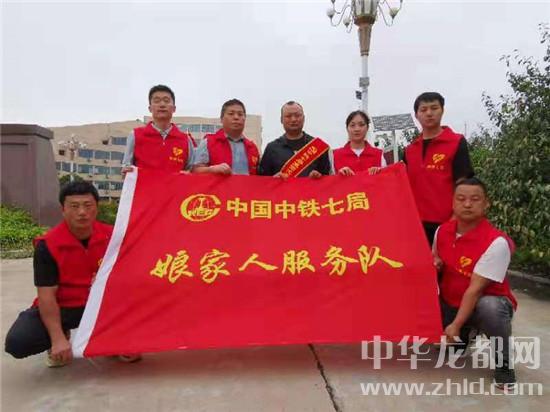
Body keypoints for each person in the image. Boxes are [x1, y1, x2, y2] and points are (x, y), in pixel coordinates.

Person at [4, 181, 140, 366]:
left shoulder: (114, 237)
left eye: (88, 205)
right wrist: (57, 338)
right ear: (63, 209)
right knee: (19, 342)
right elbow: (46, 295)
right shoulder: (48, 245)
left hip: (105, 306)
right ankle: (63, 333)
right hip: (66, 307)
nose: (82, 212)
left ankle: (112, 340)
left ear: (97, 208)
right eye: (74, 206)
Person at [433, 177, 517, 390]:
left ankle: (504, 365)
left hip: (481, 304)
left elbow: (475, 290)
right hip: (451, 302)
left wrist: (455, 325)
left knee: (491, 307)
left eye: (475, 199)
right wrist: (436, 263)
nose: (467, 204)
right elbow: (434, 258)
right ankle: (464, 335)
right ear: (452, 202)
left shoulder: (497, 242)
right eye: (461, 199)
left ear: (486, 203)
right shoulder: (442, 231)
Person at [404, 92, 474, 245]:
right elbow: (399, 184)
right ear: (416, 115)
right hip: (415, 225)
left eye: (434, 108)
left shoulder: (456, 142)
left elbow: (464, 185)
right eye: (423, 110)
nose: (429, 113)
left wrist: (454, 220)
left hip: (447, 223)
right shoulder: (410, 150)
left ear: (442, 110)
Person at [122, 84, 194, 173]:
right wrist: (126, 171)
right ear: (150, 108)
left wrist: (188, 175)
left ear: (174, 108)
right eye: (157, 101)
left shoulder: (186, 140)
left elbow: (192, 171)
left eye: (166, 101)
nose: (162, 104)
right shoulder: (135, 135)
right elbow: (126, 167)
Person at [258, 101, 333, 178]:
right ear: (281, 120)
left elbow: (329, 180)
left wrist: (319, 177)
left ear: (304, 118)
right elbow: (262, 181)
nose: (293, 119)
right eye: (288, 116)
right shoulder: (271, 148)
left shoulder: (318, 147)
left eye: (297, 115)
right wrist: (274, 179)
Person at [192, 99, 259, 175]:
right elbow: (195, 171)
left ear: (245, 119)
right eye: (231, 114)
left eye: (240, 114)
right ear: (221, 119)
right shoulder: (208, 142)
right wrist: (212, 169)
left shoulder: (252, 148)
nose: (236, 117)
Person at [333, 110, 386, 176]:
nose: (357, 129)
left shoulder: (378, 155)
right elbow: (329, 180)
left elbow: (386, 179)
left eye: (361, 125)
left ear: (367, 128)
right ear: (347, 129)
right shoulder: (336, 155)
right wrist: (339, 176)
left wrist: (380, 173)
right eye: (352, 125)